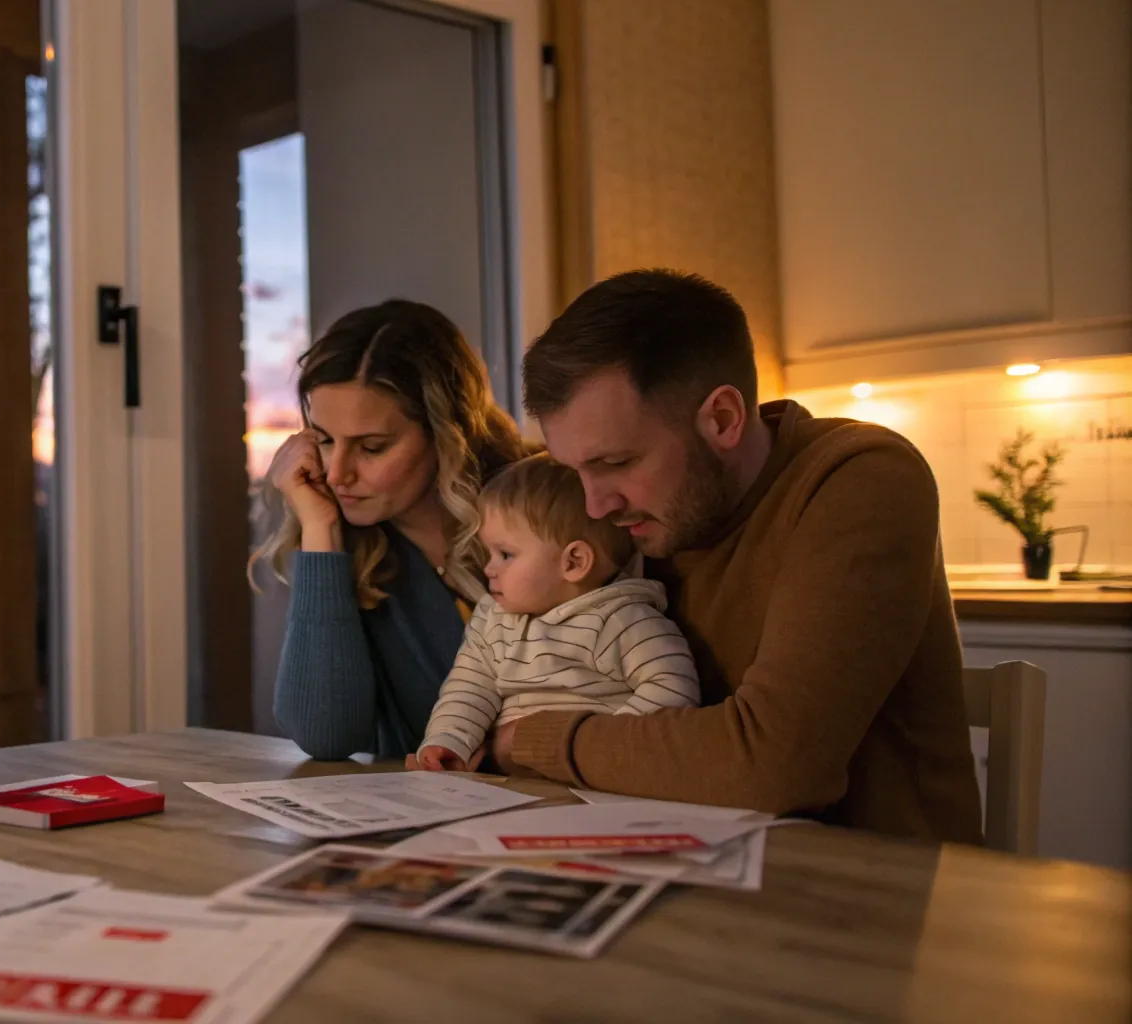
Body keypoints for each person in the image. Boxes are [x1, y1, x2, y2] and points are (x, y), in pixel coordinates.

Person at [504, 268, 983, 843]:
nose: (595, 504)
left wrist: (532, 739)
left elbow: (773, 765)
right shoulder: (636, 515)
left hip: (874, 894)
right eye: (574, 470)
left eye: (616, 463)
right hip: (682, 865)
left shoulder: (861, 477)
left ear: (723, 420)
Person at [254, 299, 532, 760]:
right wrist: (320, 532)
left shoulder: (543, 509)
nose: (337, 472)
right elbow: (325, 737)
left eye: (373, 447)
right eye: (323, 439)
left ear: (447, 433)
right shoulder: (354, 542)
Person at [412, 454, 698, 773]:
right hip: (514, 784)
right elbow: (469, 686)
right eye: (488, 553)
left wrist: (608, 750)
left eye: (506, 554)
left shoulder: (622, 619)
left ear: (573, 562)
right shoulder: (493, 618)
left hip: (598, 784)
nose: (489, 568)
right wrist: (447, 741)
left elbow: (673, 686)